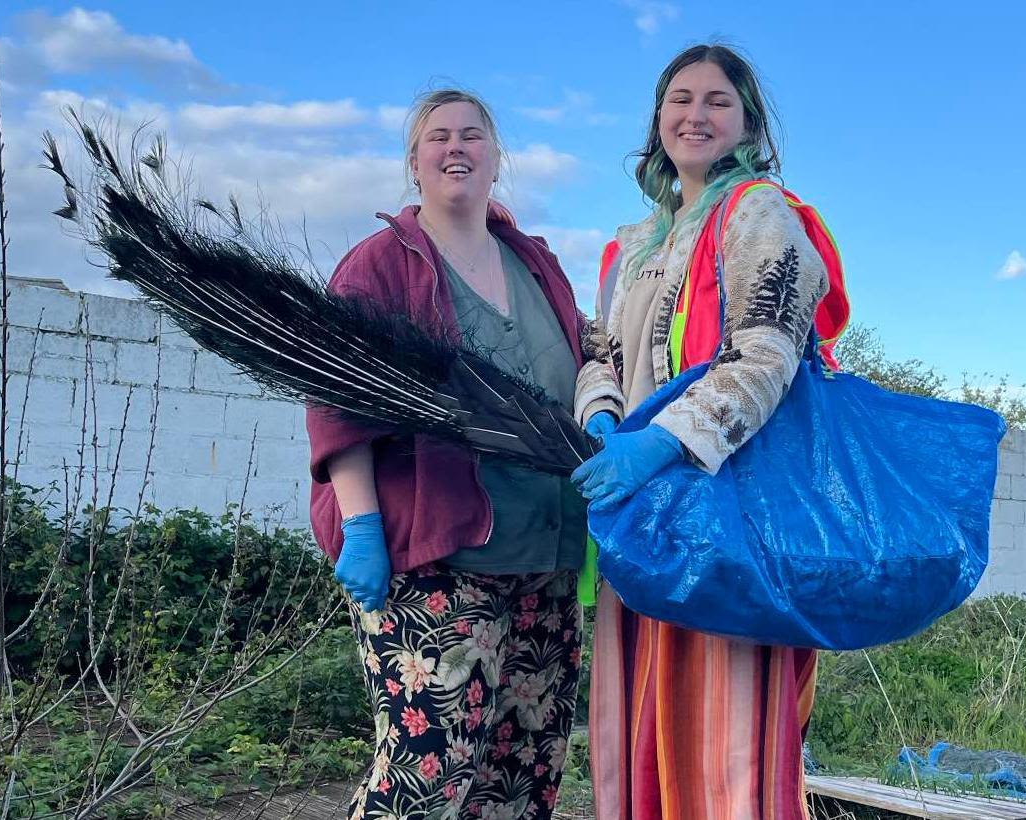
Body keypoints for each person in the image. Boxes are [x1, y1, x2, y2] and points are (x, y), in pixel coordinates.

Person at [305, 89, 590, 820]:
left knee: (519, 776)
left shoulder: (536, 265)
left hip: (546, 563)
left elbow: (583, 359)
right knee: (426, 781)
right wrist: (362, 526)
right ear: (414, 161)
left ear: (497, 159)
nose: (455, 147)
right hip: (435, 566)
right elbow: (339, 403)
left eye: (472, 135)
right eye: (437, 137)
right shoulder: (381, 267)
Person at [572, 44, 831, 820]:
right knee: (635, 730)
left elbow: (770, 348)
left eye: (717, 100)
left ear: (746, 119)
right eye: (680, 99)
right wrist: (607, 418)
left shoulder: (759, 212)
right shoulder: (630, 244)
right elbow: (599, 352)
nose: (696, 114)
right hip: (640, 520)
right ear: (658, 120)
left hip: (727, 518)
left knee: (725, 745)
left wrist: (666, 442)